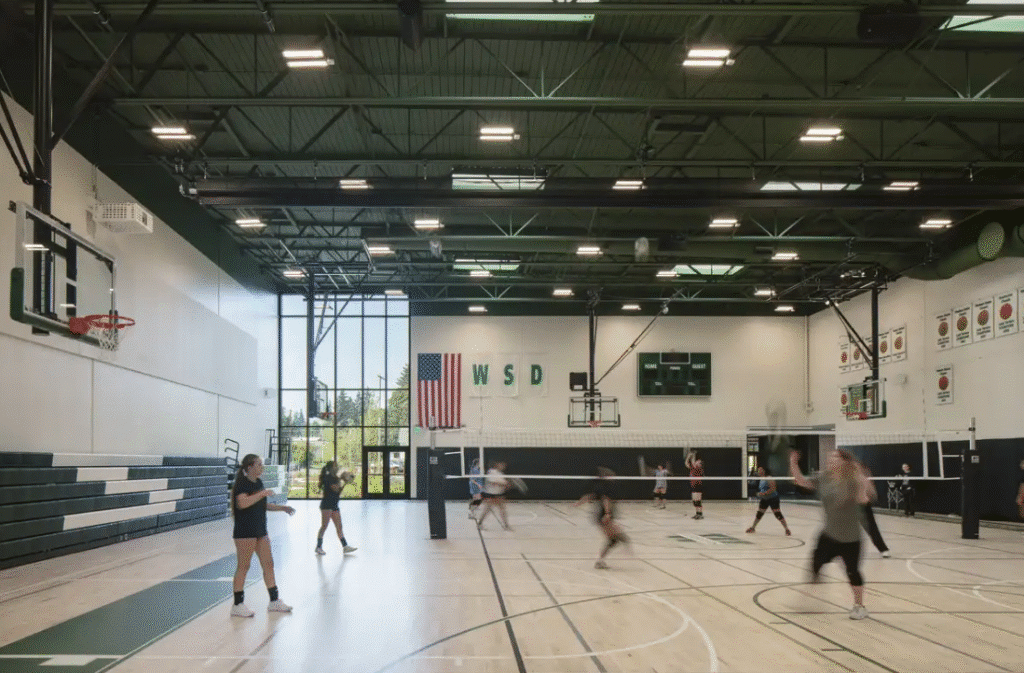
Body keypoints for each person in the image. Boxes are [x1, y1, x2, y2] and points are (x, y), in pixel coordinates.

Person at [790, 449, 874, 620]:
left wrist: (861, 476)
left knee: (853, 572)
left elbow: (864, 499)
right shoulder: (824, 478)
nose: (830, 460)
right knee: (815, 563)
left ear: (844, 461)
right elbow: (802, 482)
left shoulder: (852, 480)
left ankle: (859, 606)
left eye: (835, 458)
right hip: (829, 533)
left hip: (851, 537)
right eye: (829, 458)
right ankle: (809, 594)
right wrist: (793, 463)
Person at [230, 454, 295, 618]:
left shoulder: (258, 483)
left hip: (260, 530)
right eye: (259, 465)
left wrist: (282, 508)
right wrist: (261, 494)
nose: (262, 468)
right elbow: (243, 503)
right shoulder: (242, 484)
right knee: (243, 567)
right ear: (249, 467)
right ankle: (237, 605)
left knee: (269, 564)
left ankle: (274, 601)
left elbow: (262, 504)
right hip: (245, 532)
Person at [574, 467, 630, 569]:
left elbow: (590, 496)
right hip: (603, 516)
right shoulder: (607, 486)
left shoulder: (599, 486)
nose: (614, 477)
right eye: (612, 475)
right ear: (608, 476)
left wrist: (578, 503)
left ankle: (600, 561)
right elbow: (605, 499)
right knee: (616, 539)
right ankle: (600, 561)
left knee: (615, 539)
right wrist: (607, 514)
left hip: (602, 516)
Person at [315, 462, 357, 555]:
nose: (337, 467)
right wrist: (344, 480)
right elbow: (335, 489)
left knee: (339, 527)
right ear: (331, 468)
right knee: (324, 526)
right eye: (335, 466)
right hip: (326, 505)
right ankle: (318, 547)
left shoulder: (335, 478)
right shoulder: (329, 478)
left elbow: (338, 491)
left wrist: (345, 482)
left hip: (334, 504)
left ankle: (345, 546)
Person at [746, 466, 791, 536]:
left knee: (777, 513)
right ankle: (753, 528)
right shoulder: (761, 479)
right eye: (758, 470)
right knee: (759, 513)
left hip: (773, 499)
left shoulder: (769, 478)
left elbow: (772, 489)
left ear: (764, 471)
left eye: (760, 470)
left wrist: (762, 493)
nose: (758, 472)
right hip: (765, 499)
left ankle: (786, 529)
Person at [859, 464, 890, 558]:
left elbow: (873, 494)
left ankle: (883, 549)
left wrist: (867, 496)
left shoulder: (864, 479)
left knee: (872, 528)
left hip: (863, 506)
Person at [476, 461, 511, 531]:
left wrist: (506, 484)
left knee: (502, 510)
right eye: (502, 464)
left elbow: (502, 483)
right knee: (487, 510)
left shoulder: (500, 473)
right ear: (497, 464)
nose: (503, 466)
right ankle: (479, 524)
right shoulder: (491, 472)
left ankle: (506, 525)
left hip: (499, 494)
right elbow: (493, 482)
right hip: (491, 495)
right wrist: (504, 484)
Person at [685, 450, 704, 519]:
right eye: (697, 461)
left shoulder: (699, 469)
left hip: (698, 485)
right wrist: (688, 457)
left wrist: (692, 455)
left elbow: (692, 462)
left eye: (699, 462)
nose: (697, 462)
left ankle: (700, 514)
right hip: (693, 485)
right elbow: (687, 463)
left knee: (698, 501)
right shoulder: (692, 468)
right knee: (694, 501)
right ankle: (697, 514)